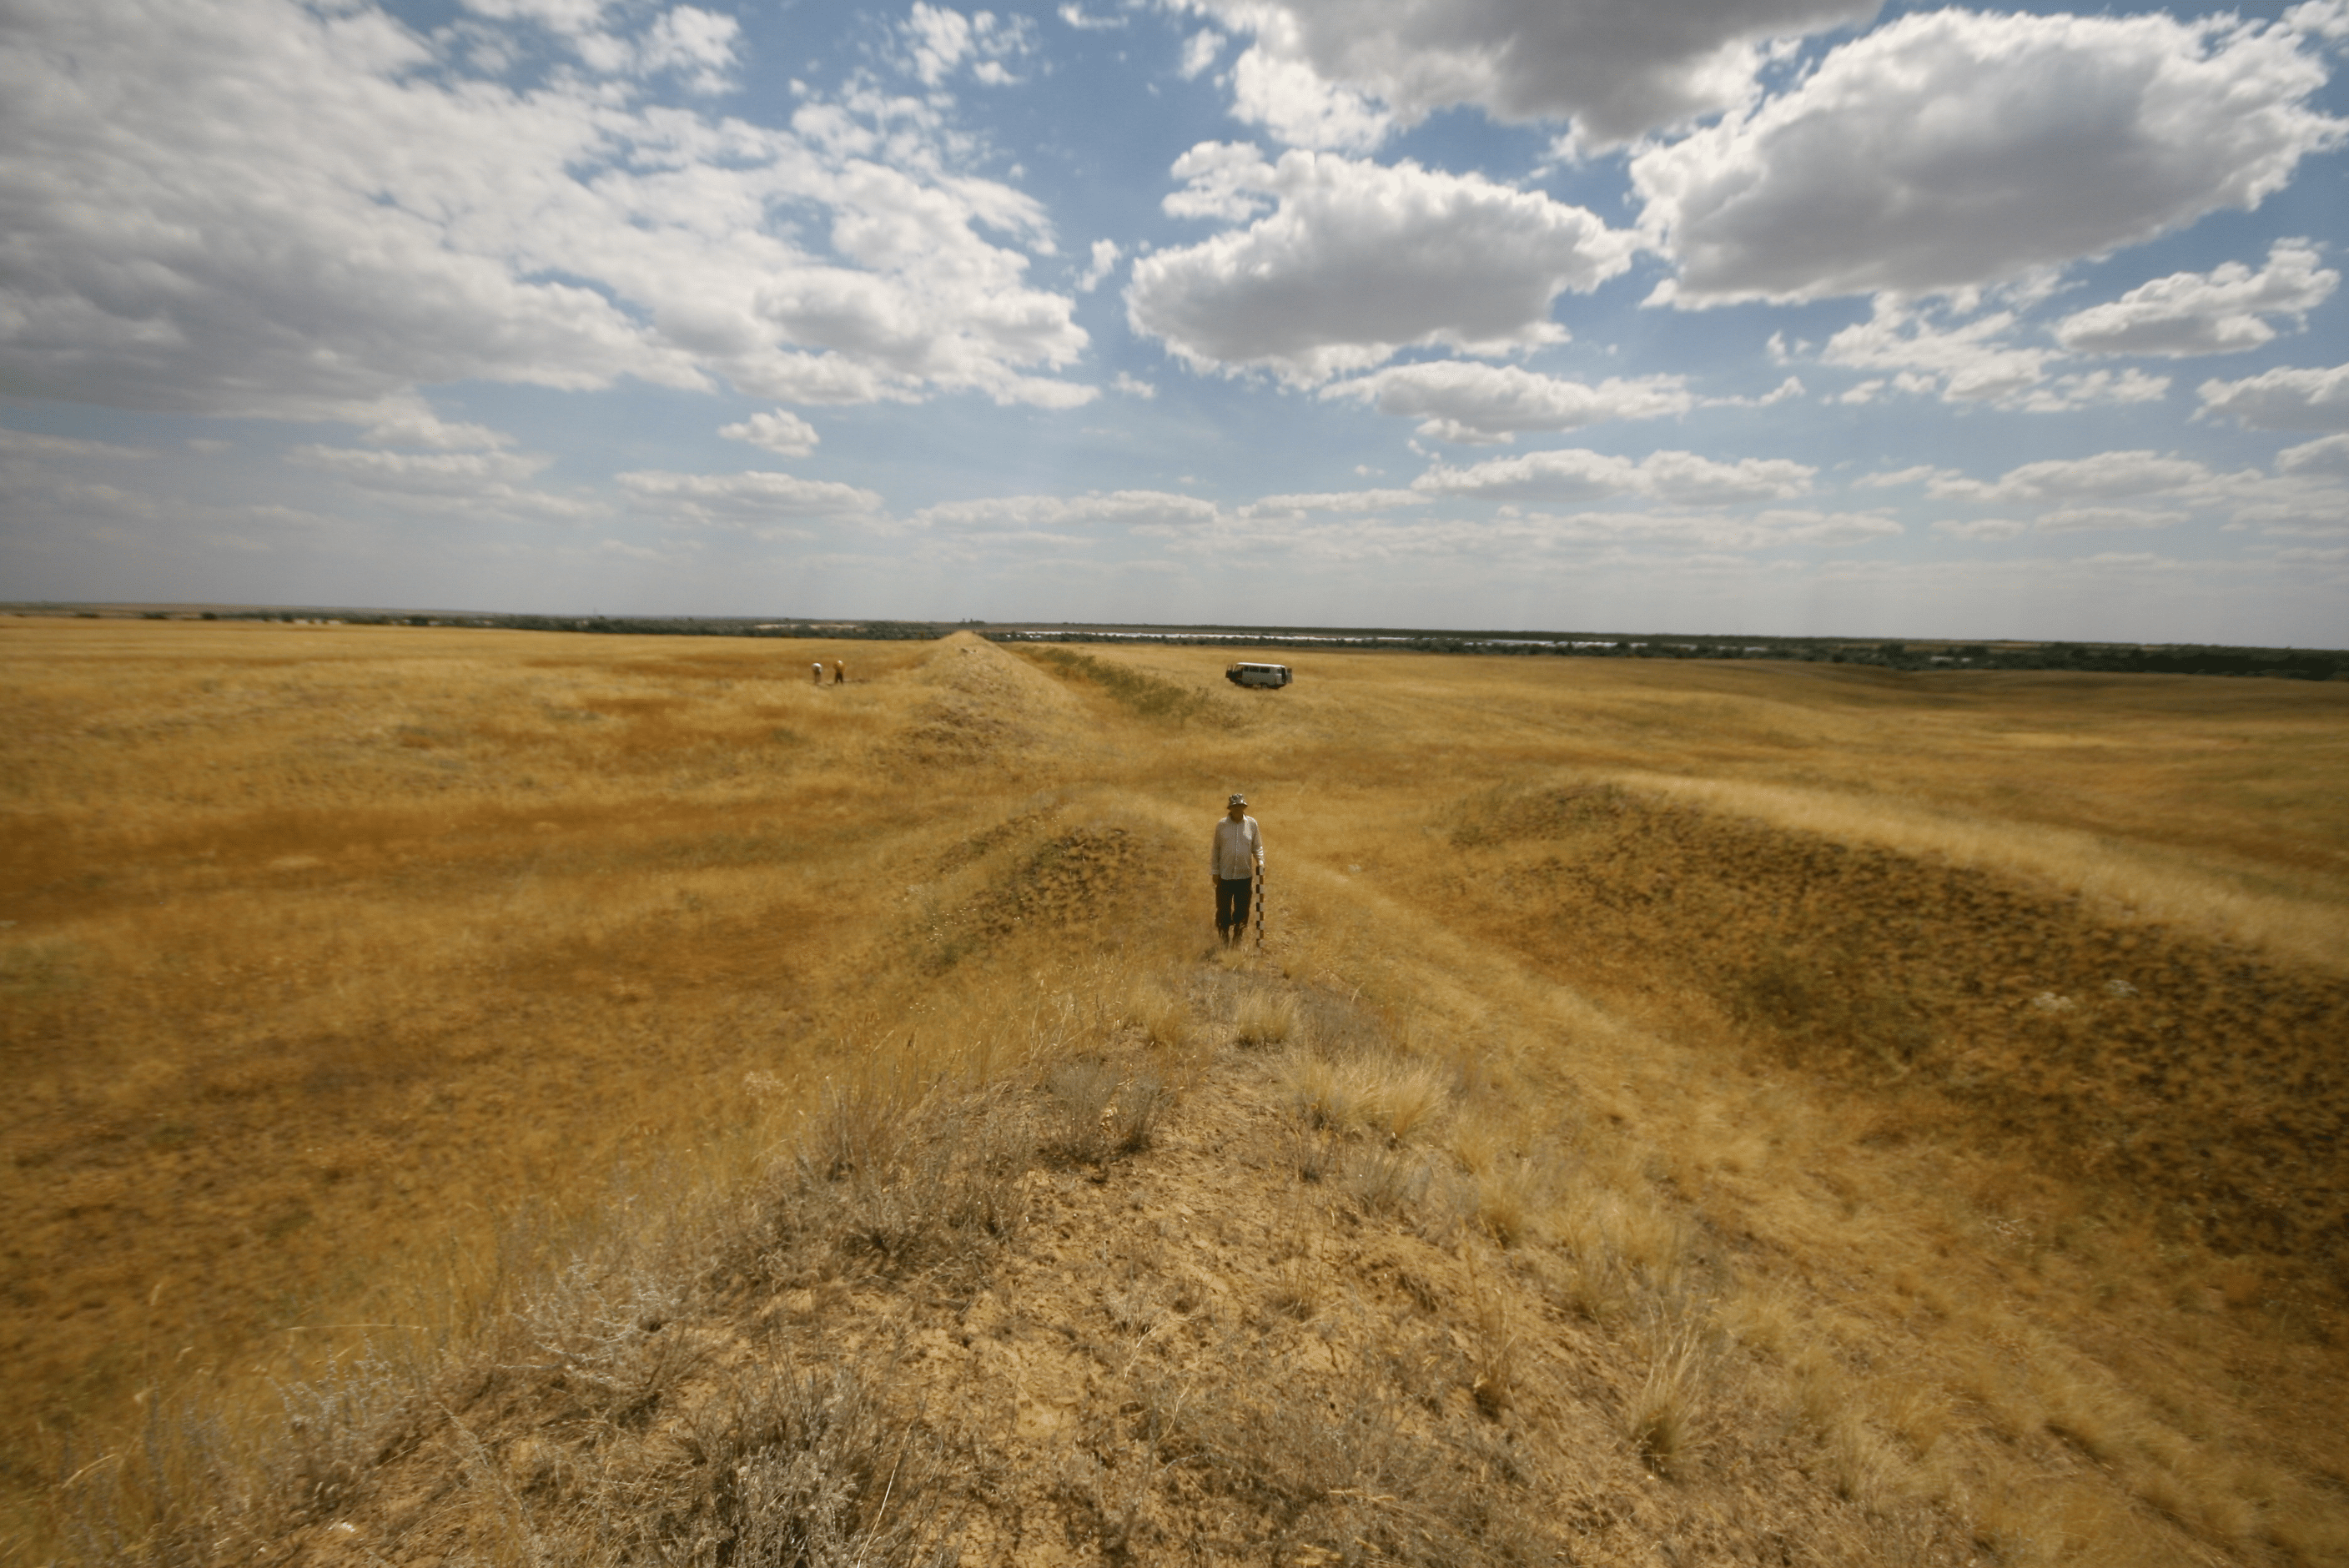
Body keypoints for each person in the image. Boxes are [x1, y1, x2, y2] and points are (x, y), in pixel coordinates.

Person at [1210, 792, 1263, 947]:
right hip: (1225, 875)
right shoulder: (1222, 825)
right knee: (1223, 909)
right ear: (1230, 808)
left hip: (1244, 875)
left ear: (1244, 807)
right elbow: (1216, 849)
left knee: (1242, 910)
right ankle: (1224, 937)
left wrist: (1260, 861)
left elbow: (1257, 846)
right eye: (1235, 807)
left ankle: (1237, 938)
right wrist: (1215, 871)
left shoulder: (1252, 824)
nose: (1237, 809)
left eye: (1240, 806)